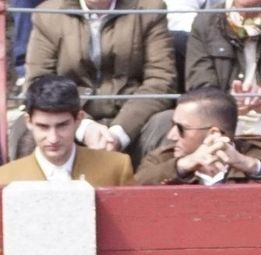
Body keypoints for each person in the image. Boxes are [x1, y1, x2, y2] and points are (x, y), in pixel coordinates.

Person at [24, 0, 177, 155]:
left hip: (133, 116)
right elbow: (39, 82)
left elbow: (161, 79)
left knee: (167, 122)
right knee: (26, 127)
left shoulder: (149, 8)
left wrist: (120, 133)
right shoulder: (48, 13)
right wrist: (83, 127)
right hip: (70, 117)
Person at [178, 0, 261, 153]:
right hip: (221, 117)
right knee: (195, 125)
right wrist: (228, 103)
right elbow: (200, 84)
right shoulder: (205, 21)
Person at [134, 84, 261, 183]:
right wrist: (183, 166)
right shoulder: (161, 159)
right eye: (173, 125)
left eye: (181, 128)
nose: (171, 136)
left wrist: (249, 165)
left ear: (213, 133)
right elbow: (133, 188)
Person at [0, 73, 135, 185]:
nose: (53, 138)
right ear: (28, 122)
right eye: (43, 127)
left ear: (78, 120)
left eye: (62, 125)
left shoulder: (116, 168)